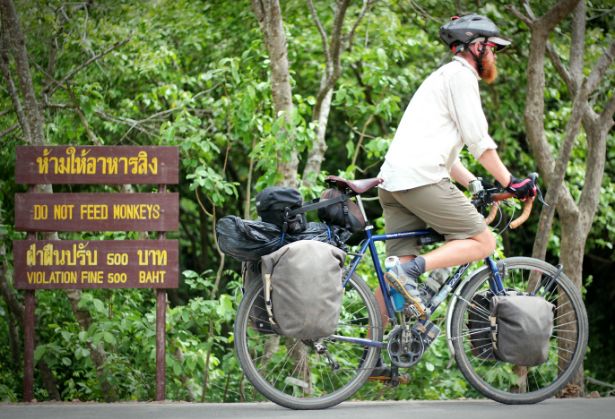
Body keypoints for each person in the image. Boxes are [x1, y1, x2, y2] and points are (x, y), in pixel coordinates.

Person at [377, 14, 537, 314]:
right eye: (492, 49)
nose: (493, 56)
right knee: (483, 241)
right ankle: (411, 273)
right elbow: (479, 141)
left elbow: (445, 156)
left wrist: (476, 184)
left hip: (393, 183)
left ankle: (370, 353)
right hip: (420, 180)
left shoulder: (441, 77)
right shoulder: (461, 77)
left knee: (395, 273)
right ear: (477, 47)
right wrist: (511, 182)